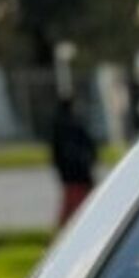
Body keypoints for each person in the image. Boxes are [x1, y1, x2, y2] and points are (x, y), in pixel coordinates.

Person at [48, 96, 99, 227]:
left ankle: (62, 231)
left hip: (67, 175)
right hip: (80, 173)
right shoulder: (76, 125)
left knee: (70, 205)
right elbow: (90, 147)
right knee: (85, 204)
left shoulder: (56, 127)